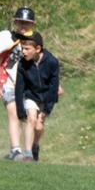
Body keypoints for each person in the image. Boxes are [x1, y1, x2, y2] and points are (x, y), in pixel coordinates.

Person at [0, 6, 38, 160]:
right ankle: (15, 150)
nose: (23, 26)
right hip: (8, 84)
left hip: (27, 86)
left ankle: (29, 151)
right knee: (14, 114)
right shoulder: (8, 39)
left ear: (33, 24)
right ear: (15, 22)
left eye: (27, 23)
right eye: (20, 22)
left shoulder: (35, 42)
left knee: (30, 118)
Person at [13, 31, 61, 162]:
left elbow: (54, 87)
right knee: (31, 120)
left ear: (38, 48)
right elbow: (19, 88)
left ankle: (35, 145)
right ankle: (28, 154)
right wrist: (20, 110)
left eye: (27, 49)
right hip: (31, 96)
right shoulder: (22, 64)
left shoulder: (52, 62)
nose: (23, 52)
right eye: (22, 48)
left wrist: (47, 109)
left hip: (47, 97)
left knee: (39, 126)